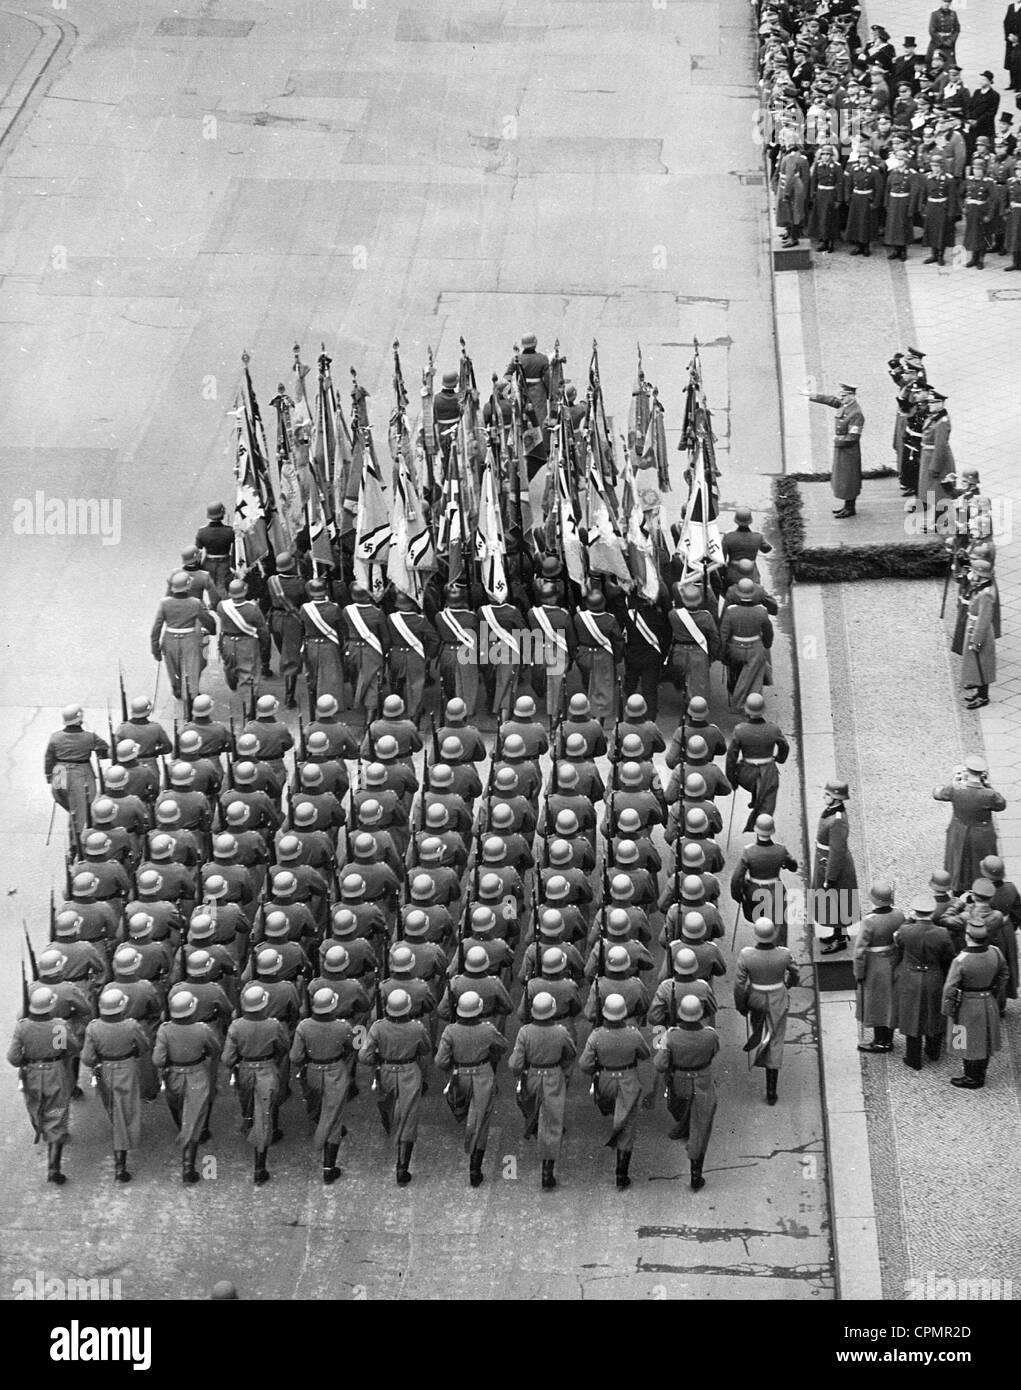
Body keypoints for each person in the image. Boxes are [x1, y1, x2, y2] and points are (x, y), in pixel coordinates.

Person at [7, 986, 81, 1185]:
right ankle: (54, 1165)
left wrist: (28, 1061)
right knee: (57, 1111)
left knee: (36, 1107)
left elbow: (13, 1057)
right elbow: (73, 1048)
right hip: (56, 1073)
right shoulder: (59, 1025)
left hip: (31, 1073)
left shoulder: (22, 1026)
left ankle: (44, 1128)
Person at [434, 990, 509, 1187]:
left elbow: (440, 1061)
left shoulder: (450, 1031)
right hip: (483, 1074)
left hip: (460, 1074)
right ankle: (475, 1168)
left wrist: (454, 1066)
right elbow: (502, 1047)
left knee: (465, 1110)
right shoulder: (488, 1029)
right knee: (482, 1121)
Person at [358, 988, 432, 1185]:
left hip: (386, 1071)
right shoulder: (417, 1028)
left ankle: (390, 1126)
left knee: (386, 1103)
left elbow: (364, 1055)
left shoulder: (378, 1027)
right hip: (409, 1071)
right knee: (409, 1117)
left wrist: (379, 1059)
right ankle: (402, 1167)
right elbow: (425, 1049)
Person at [577, 993, 651, 1190]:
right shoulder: (634, 1033)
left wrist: (598, 1070)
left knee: (612, 1110)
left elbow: (584, 1064)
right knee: (628, 1126)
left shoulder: (596, 1035)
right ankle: (621, 1173)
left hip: (605, 1080)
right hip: (628, 1080)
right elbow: (645, 1054)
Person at [81, 988, 153, 1183]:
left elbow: (87, 1058)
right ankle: (120, 1163)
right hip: (127, 1067)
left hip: (104, 1069)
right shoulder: (132, 1026)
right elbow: (144, 1046)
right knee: (127, 1109)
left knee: (114, 1108)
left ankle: (120, 1139)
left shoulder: (93, 1027)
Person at [222, 984, 291, 1185]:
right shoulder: (274, 1025)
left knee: (251, 1108)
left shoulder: (236, 1026)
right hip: (267, 1068)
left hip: (244, 1069)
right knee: (265, 1115)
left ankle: (251, 1127)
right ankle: (259, 1166)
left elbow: (227, 1058)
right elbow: (284, 1047)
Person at [508, 990, 576, 1190]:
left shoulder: (525, 1032)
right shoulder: (561, 1031)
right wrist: (564, 1073)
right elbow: (570, 1053)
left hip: (532, 1076)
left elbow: (516, 1063)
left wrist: (518, 1071)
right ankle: (548, 1169)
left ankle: (539, 1133)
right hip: (554, 1075)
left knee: (534, 1112)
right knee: (554, 1122)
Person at [152, 989, 221, 1184]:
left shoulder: (164, 1030)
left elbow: (158, 1060)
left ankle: (183, 1132)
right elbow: (214, 1049)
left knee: (179, 1108)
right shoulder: (203, 1029)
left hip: (173, 1075)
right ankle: (188, 1166)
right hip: (197, 1073)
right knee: (196, 1118)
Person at [654, 993, 720, 1191]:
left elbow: (659, 1064)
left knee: (680, 1108)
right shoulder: (710, 1034)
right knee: (701, 1127)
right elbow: (714, 1052)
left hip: (679, 1081)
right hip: (703, 1080)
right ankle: (696, 1174)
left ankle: (683, 1128)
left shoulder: (671, 1035)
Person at [290, 988, 356, 1184]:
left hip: (312, 1070)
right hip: (335, 1071)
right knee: (335, 1118)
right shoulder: (342, 1027)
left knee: (318, 1106)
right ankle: (329, 1167)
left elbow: (295, 1057)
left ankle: (320, 1127)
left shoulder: (303, 1026)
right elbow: (353, 1046)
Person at [733, 919, 799, 1105]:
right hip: (778, 996)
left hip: (756, 997)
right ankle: (771, 1089)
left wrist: (741, 1005)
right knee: (776, 1039)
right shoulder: (784, 954)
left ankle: (758, 1035)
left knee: (759, 1023)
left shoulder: (746, 955)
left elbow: (739, 984)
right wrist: (789, 985)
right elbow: (795, 973)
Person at [941, 922, 1009, 1087]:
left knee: (966, 1041)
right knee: (984, 1040)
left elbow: (949, 988)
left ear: (967, 936)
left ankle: (971, 1077)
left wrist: (948, 1010)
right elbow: (1004, 974)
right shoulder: (995, 952)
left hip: (967, 1003)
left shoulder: (961, 960)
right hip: (988, 1000)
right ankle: (980, 1075)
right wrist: (994, 993)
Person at [894, 893, 955, 1069]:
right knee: (934, 1014)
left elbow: (899, 943)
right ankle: (933, 1051)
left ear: (915, 912)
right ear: (932, 911)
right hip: (934, 976)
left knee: (912, 1015)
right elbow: (948, 957)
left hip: (911, 977)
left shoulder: (906, 930)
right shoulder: (942, 933)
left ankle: (913, 1058)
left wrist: (908, 920)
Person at [934, 755, 1005, 891]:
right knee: (981, 861)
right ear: (982, 773)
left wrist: (952, 781)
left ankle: (958, 887)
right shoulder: (989, 794)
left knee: (958, 859)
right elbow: (1001, 805)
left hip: (958, 830)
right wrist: (988, 785)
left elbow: (938, 794)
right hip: (982, 833)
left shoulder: (955, 788)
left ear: (967, 771)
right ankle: (983, 888)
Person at [853, 883, 905, 1053]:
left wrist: (858, 972)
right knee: (889, 1002)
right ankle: (887, 1038)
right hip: (893, 960)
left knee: (876, 1003)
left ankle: (881, 1041)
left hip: (874, 966)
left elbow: (859, 951)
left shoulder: (869, 921)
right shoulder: (898, 914)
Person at [151, 572, 218, 702]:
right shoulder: (195, 603)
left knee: (173, 667)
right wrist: (212, 629)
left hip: (170, 639)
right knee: (192, 668)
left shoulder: (164, 603)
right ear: (188, 587)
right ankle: (193, 696)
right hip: (189, 639)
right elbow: (206, 620)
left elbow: (156, 627)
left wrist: (155, 648)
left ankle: (176, 688)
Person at [44, 705, 109, 835]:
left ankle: (74, 819)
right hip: (80, 772)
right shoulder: (89, 737)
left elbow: (49, 759)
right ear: (80, 719)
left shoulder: (55, 737)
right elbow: (105, 751)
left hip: (59, 772)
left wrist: (49, 776)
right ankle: (76, 844)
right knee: (79, 811)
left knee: (63, 799)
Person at [804, 383, 864, 519]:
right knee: (842, 477)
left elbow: (853, 436)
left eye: (844, 396)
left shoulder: (856, 413)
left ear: (852, 396)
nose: (841, 398)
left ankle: (850, 507)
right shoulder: (846, 405)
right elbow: (830, 400)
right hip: (842, 449)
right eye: (841, 395)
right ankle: (846, 506)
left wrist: (837, 440)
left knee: (849, 478)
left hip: (849, 451)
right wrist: (810, 395)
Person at [811, 780, 858, 953]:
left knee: (837, 901)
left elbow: (837, 852)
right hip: (825, 860)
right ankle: (837, 933)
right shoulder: (832, 811)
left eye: (828, 794)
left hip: (833, 865)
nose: (824, 796)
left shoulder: (838, 820)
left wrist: (830, 877)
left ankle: (840, 939)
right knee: (834, 902)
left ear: (837, 798)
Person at [217, 577, 270, 704]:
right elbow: (262, 629)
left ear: (229, 593)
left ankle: (232, 682)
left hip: (227, 642)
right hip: (247, 644)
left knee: (229, 666)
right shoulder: (253, 608)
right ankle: (249, 707)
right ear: (245, 592)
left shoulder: (222, 606)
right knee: (249, 674)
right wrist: (263, 644)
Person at [959, 556, 997, 708]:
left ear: (980, 576)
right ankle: (979, 693)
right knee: (976, 664)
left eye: (974, 573)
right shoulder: (981, 588)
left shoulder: (986, 594)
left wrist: (977, 641)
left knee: (982, 665)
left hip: (981, 633)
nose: (971, 575)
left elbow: (983, 621)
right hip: (974, 628)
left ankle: (983, 697)